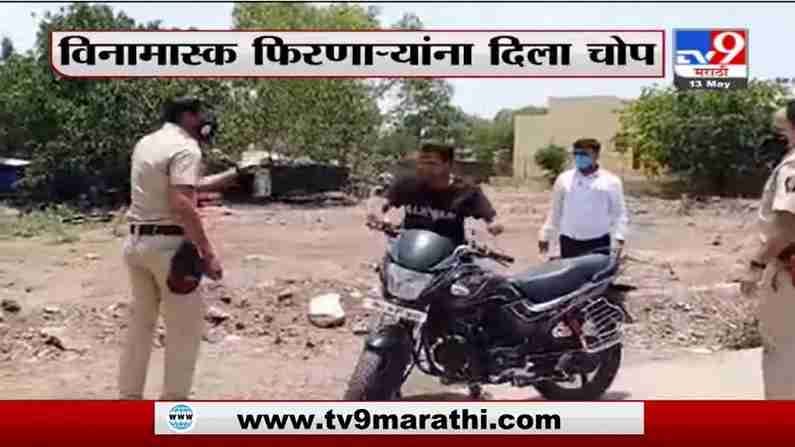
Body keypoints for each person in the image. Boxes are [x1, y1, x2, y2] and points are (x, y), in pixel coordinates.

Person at [119, 96, 256, 400]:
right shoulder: (186, 147)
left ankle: (128, 400)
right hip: (168, 249)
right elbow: (182, 202)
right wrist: (207, 253)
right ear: (188, 116)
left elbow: (182, 184)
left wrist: (233, 175)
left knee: (141, 327)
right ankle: (173, 404)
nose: (206, 121)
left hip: (137, 243)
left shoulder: (147, 142)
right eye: (201, 114)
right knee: (184, 330)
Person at [739, 101, 795, 399]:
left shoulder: (792, 166)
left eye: (782, 130)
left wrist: (756, 265)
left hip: (788, 273)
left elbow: (787, 224)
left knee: (782, 353)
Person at [367, 142, 504, 245]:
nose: (423, 167)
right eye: (421, 162)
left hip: (448, 258)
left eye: (431, 163)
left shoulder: (467, 190)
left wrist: (494, 225)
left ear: (448, 165)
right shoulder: (407, 184)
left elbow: (490, 216)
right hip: (410, 251)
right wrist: (376, 213)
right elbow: (383, 202)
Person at [538, 138, 629, 259]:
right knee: (569, 272)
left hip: (599, 243)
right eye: (576, 153)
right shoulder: (564, 179)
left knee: (596, 272)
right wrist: (545, 235)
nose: (579, 157)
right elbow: (555, 211)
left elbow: (619, 214)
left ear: (596, 155)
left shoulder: (611, 181)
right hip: (569, 242)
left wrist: (619, 239)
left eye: (584, 154)